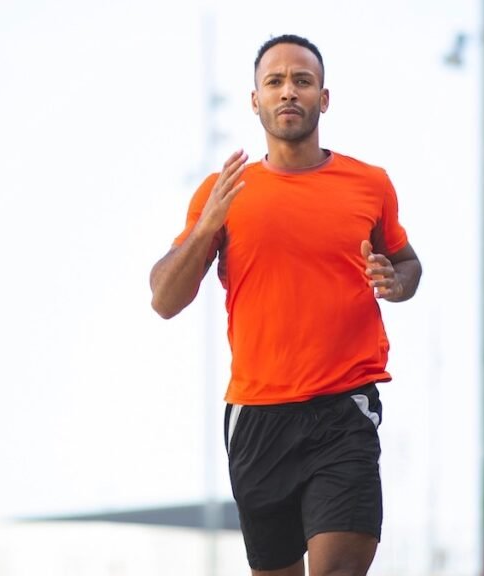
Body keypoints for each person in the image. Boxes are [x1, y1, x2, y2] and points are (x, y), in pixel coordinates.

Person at [149, 34, 422, 576]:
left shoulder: (370, 185)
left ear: (324, 98)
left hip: (343, 409)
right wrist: (207, 225)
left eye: (302, 80)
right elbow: (164, 299)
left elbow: (408, 263)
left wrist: (396, 278)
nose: (288, 92)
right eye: (274, 82)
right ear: (256, 100)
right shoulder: (222, 192)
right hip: (257, 419)